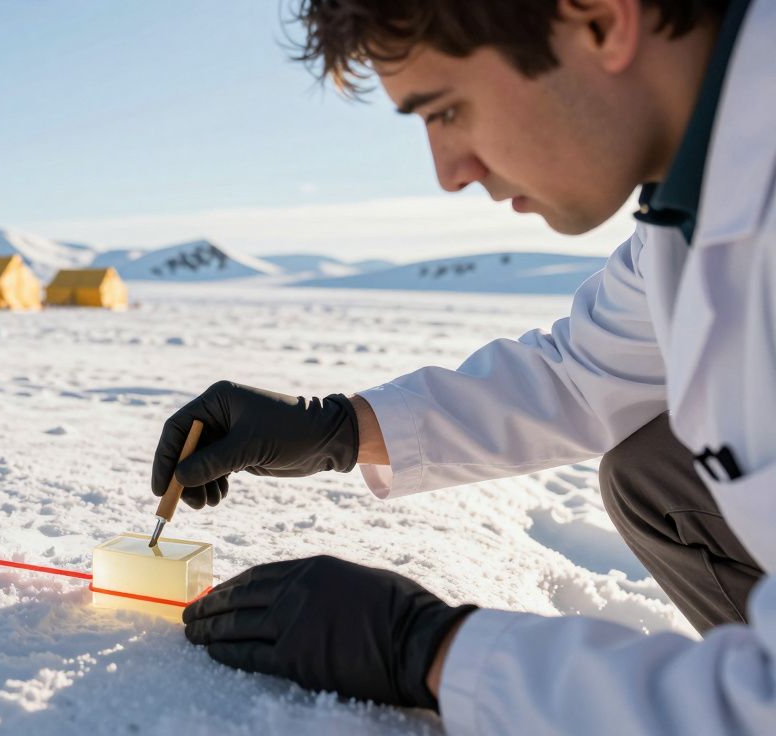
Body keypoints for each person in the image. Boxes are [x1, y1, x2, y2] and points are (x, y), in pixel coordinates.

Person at [149, 0, 775, 731]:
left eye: (446, 111)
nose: (448, 173)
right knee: (653, 472)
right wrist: (338, 428)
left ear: (603, 21)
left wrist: (435, 652)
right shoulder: (696, 198)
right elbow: (579, 374)